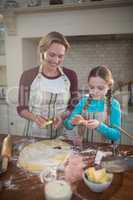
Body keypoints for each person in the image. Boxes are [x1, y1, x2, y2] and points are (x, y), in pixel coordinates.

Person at [17, 31, 78, 138]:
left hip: (63, 135)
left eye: (60, 56)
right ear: (42, 51)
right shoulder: (28, 75)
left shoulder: (71, 75)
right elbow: (22, 108)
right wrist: (35, 117)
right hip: (34, 135)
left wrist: (63, 116)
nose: (56, 60)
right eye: (52, 55)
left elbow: (73, 105)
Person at [64, 65, 121, 142]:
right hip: (83, 149)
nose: (95, 91)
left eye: (100, 88)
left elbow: (116, 135)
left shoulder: (113, 104)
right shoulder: (83, 101)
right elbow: (67, 125)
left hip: (103, 150)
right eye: (91, 87)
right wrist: (72, 122)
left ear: (109, 86)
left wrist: (99, 126)